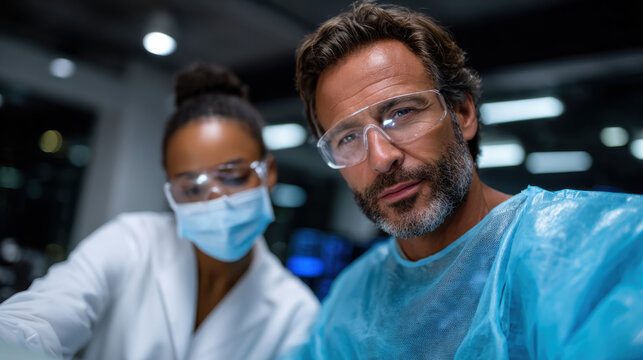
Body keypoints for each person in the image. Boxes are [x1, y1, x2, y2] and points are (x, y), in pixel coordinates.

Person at [283, 2, 643, 359]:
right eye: (347, 138)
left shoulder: (604, 249)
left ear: (463, 113)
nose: (381, 158)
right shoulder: (349, 304)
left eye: (402, 113)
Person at [0, 62, 319, 359]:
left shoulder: (296, 313)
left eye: (233, 176)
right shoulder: (131, 241)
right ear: (170, 190)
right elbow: (38, 319)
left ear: (269, 172)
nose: (215, 199)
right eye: (192, 188)